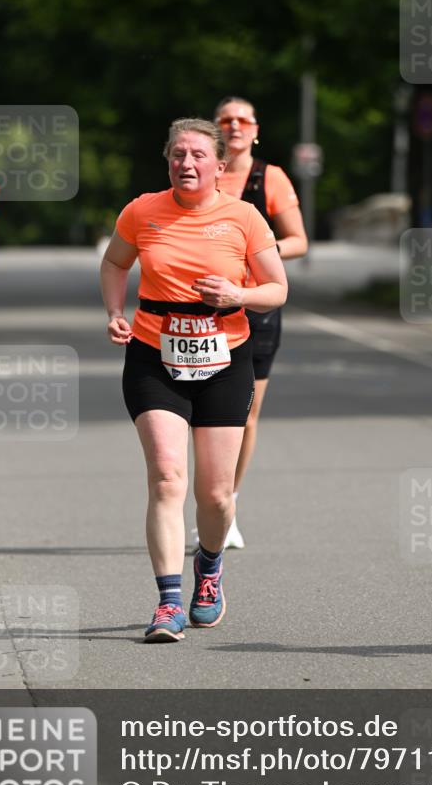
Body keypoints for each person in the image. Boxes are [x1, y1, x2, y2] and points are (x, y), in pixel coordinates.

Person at [100, 118, 287, 643]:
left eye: (198, 156)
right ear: (167, 161)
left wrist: (238, 296)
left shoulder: (244, 217)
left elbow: (277, 288)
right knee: (165, 478)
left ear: (219, 166)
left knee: (216, 495)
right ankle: (168, 603)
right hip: (154, 356)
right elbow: (114, 263)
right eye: (178, 154)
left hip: (225, 359)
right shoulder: (142, 210)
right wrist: (115, 310)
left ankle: (209, 568)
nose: (187, 163)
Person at [213, 96, 308, 548]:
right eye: (225, 120)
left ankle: (227, 504)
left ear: (255, 129)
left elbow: (298, 241)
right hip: (201, 309)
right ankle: (207, 500)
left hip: (255, 307)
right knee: (204, 413)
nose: (234, 126)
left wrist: (254, 255)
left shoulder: (268, 177)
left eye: (242, 120)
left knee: (246, 415)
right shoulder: (200, 174)